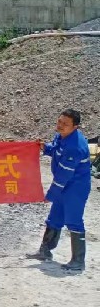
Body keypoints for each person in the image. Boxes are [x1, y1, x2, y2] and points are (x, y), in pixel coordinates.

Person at [27, 108, 90, 272]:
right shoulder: (61, 136)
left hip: (76, 188)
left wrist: (50, 195)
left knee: (73, 220)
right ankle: (45, 251)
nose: (60, 125)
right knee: (55, 217)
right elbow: (55, 150)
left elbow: (63, 175)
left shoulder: (75, 146)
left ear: (75, 127)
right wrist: (44, 147)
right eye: (59, 121)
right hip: (65, 185)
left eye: (65, 124)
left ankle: (78, 261)